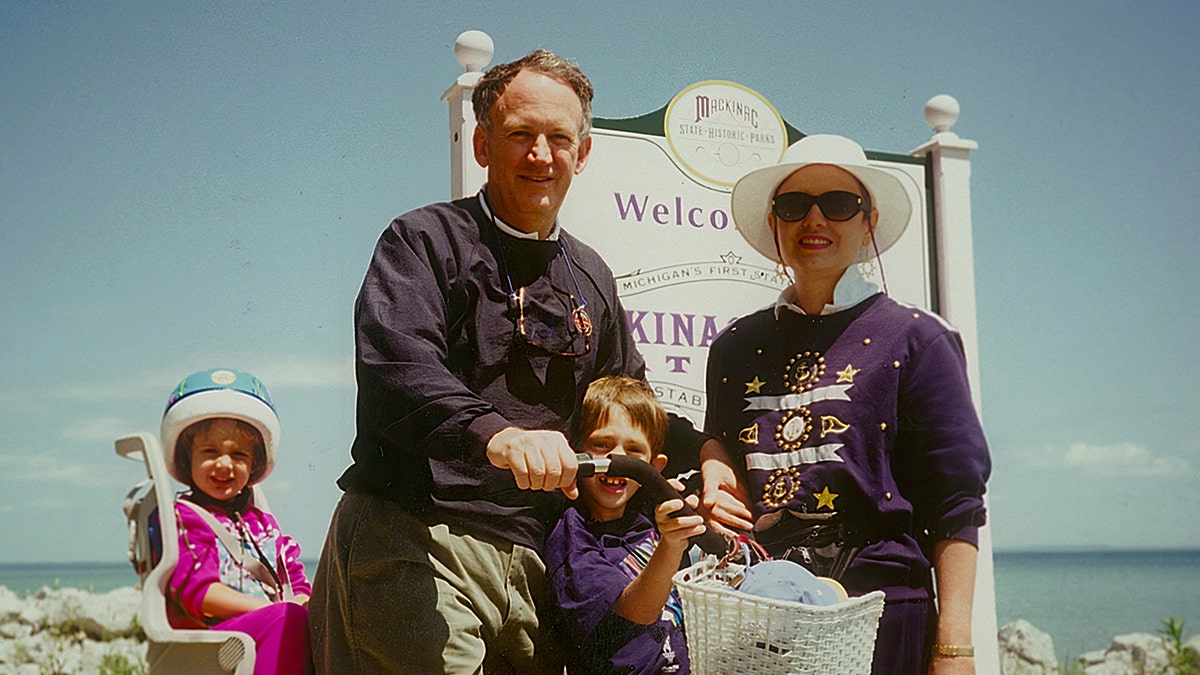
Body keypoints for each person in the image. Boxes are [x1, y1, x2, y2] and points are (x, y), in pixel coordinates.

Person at [309, 50, 747, 673]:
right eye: (520, 135)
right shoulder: (423, 240)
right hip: (416, 534)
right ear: (484, 145)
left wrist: (706, 452)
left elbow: (630, 400)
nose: (540, 154)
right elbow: (397, 369)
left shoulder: (590, 275)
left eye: (558, 138)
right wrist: (498, 435)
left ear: (583, 153)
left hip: (543, 555)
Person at [705, 134, 991, 674]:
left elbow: (957, 503)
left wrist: (954, 648)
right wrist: (713, 462)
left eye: (838, 204)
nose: (814, 220)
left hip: (882, 614)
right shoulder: (734, 346)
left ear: (868, 223)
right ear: (774, 224)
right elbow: (719, 438)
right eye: (794, 206)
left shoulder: (918, 340)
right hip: (762, 615)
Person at [546, 377, 705, 674]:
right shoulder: (573, 536)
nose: (616, 459)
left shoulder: (650, 513)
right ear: (576, 453)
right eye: (602, 444)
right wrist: (671, 546)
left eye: (633, 451)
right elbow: (636, 612)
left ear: (654, 466)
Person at [159, 368, 312, 675]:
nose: (225, 464)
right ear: (188, 459)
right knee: (288, 620)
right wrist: (276, 611)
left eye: (239, 454)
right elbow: (200, 593)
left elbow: (293, 580)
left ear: (253, 464)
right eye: (210, 451)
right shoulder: (187, 517)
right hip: (210, 640)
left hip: (265, 626)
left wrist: (311, 605)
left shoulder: (261, 524)